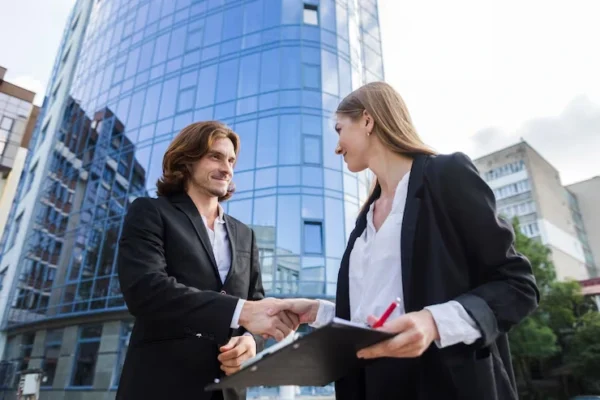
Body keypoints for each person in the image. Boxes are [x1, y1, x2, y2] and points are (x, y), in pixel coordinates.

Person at [268, 82, 539, 400]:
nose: (337, 147)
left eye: (340, 129)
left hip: (445, 387)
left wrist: (433, 322)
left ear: (367, 121)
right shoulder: (365, 220)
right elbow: (380, 311)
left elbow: (517, 285)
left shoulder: (446, 175)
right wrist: (319, 312)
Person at [116, 121, 298, 400]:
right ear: (186, 160)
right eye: (215, 156)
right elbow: (146, 290)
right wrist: (238, 311)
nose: (227, 169)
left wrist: (250, 342)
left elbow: (257, 308)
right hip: (163, 387)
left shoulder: (245, 235)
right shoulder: (150, 212)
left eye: (231, 160)